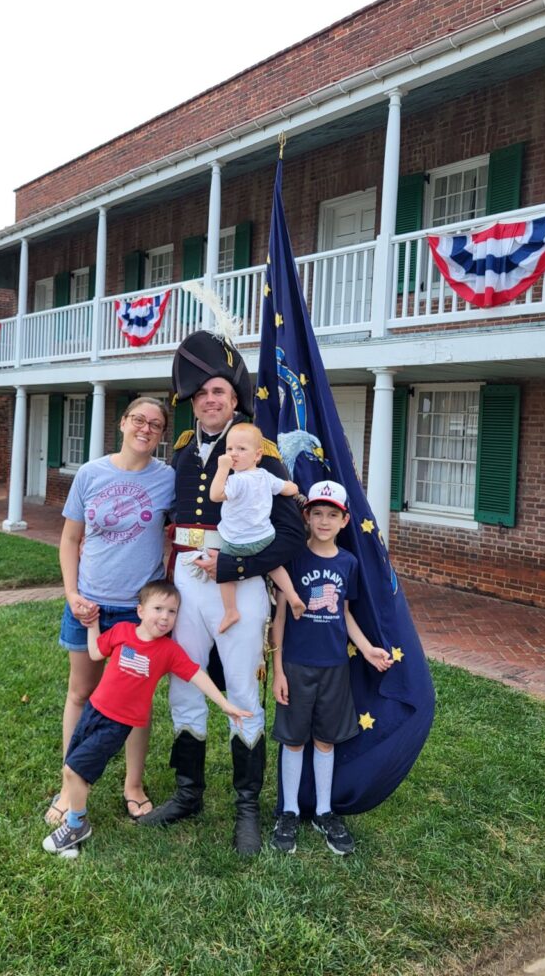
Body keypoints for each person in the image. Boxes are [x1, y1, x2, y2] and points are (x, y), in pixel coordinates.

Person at [139, 331, 306, 855]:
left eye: (220, 392)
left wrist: (234, 562)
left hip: (241, 582)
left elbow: (292, 534)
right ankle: (189, 794)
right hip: (187, 580)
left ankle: (246, 809)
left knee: (239, 691)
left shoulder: (261, 452)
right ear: (192, 402)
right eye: (202, 394)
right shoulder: (185, 448)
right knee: (185, 684)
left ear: (235, 399)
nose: (210, 401)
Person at [43, 580, 252, 857]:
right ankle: (73, 833)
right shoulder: (121, 631)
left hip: (117, 723)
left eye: (172, 612)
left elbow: (196, 674)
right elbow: (95, 652)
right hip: (94, 711)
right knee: (72, 765)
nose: (165, 617)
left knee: (74, 771)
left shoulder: (168, 651)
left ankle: (76, 825)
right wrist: (93, 626)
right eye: (158, 609)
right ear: (140, 611)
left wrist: (225, 703)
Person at [45, 396, 175, 827]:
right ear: (122, 423)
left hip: (141, 613)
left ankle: (133, 785)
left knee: (136, 701)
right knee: (81, 692)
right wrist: (71, 593)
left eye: (155, 424)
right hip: (91, 606)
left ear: (161, 435)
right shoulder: (90, 473)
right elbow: (69, 540)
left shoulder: (168, 479)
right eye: (138, 419)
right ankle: (70, 783)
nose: (145, 428)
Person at [269, 480, 393, 856]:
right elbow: (279, 618)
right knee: (294, 739)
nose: (324, 521)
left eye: (332, 515)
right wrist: (278, 669)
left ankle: (324, 810)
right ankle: (289, 811)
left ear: (344, 520)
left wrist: (367, 648)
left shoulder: (348, 562)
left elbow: (345, 613)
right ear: (307, 516)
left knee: (324, 739)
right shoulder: (293, 558)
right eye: (318, 513)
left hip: (335, 665)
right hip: (295, 663)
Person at [209, 421, 305, 634]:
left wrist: (222, 468)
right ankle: (293, 597)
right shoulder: (265, 476)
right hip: (264, 538)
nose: (234, 454)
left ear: (257, 455)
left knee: (225, 572)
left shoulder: (235, 481)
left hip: (236, 542)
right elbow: (287, 488)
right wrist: (294, 487)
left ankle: (230, 610)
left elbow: (215, 495)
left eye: (241, 449)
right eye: (229, 449)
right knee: (274, 565)